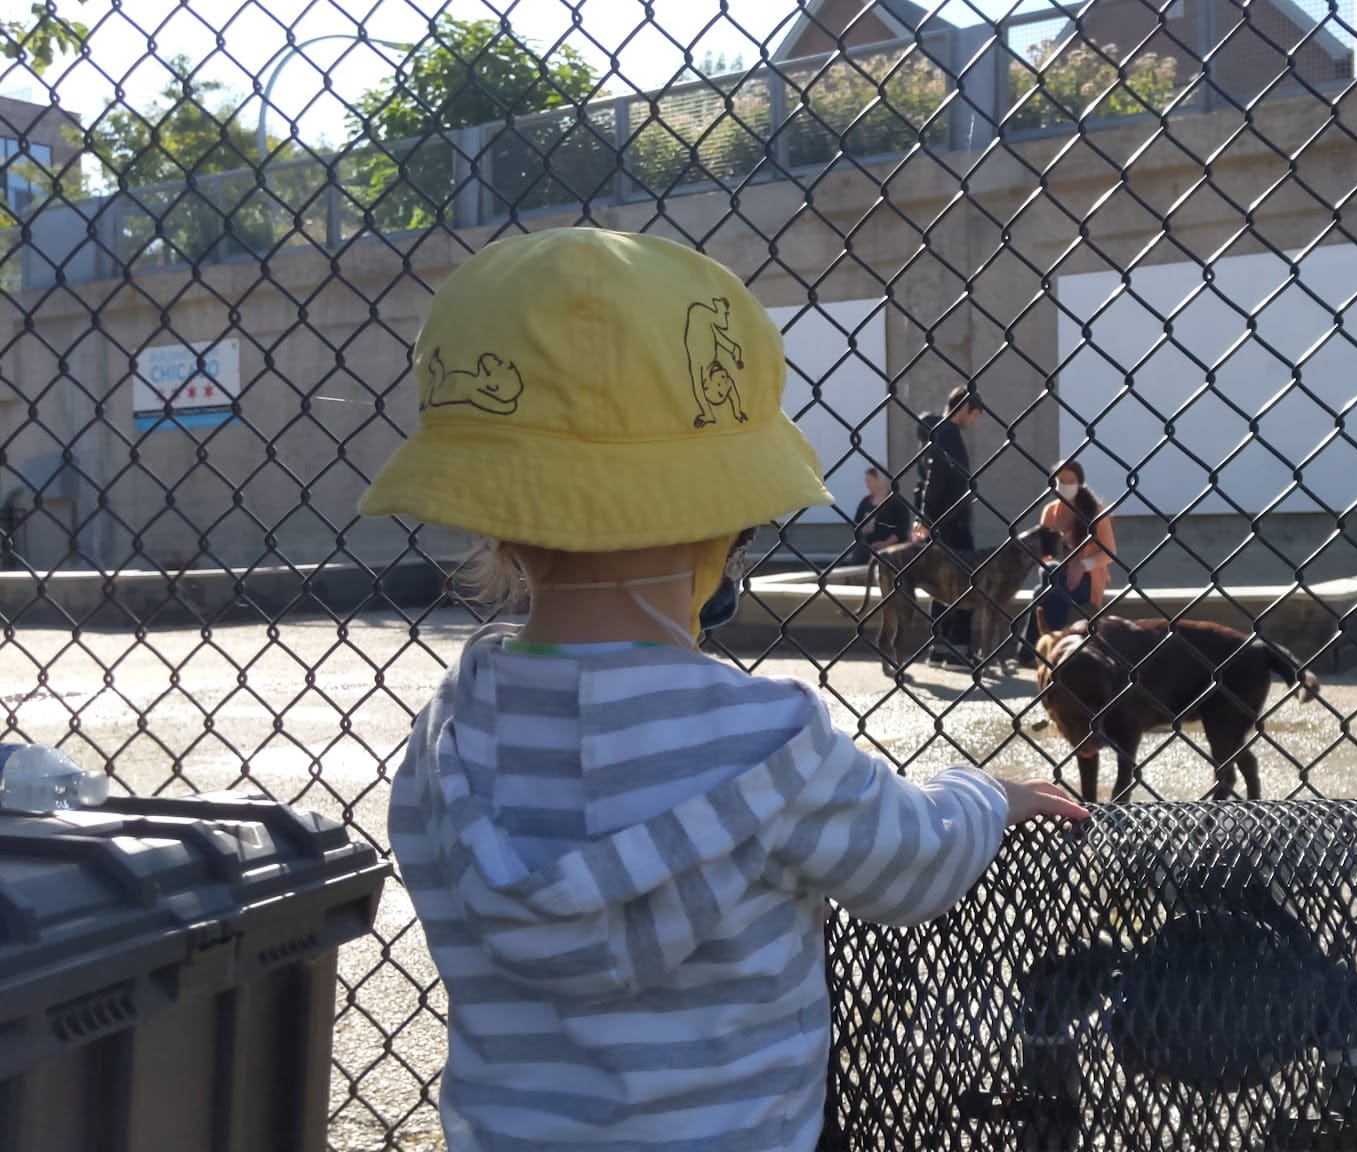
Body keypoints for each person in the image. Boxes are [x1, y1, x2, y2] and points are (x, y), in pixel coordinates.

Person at [357, 228, 1086, 1152]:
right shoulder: (763, 740)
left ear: (496, 521)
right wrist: (988, 794)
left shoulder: (446, 736)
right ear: (723, 523)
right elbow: (912, 862)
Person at [915, 385, 985, 667]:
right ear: (965, 408)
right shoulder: (950, 435)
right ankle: (958, 647)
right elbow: (939, 478)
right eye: (975, 415)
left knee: (941, 584)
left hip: (940, 525)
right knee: (967, 582)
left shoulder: (935, 436)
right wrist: (926, 517)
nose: (974, 421)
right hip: (952, 523)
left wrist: (923, 518)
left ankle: (939, 647)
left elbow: (926, 482)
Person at [1021, 460, 1117, 658]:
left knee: (1043, 591)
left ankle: (1029, 652)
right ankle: (1051, 651)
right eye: (1060, 481)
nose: (1065, 485)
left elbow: (1109, 552)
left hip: (1086, 580)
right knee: (1052, 580)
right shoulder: (1050, 511)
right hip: (1055, 575)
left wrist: (1082, 565)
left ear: (1080, 482)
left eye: (1070, 481)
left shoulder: (1095, 510)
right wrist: (1054, 567)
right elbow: (1043, 555)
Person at [851, 465, 911, 565]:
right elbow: (856, 523)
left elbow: (902, 529)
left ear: (879, 480)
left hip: (891, 551)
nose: (867, 485)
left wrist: (885, 544)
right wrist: (863, 529)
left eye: (869, 481)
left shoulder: (896, 502)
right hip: (866, 550)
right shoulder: (865, 502)